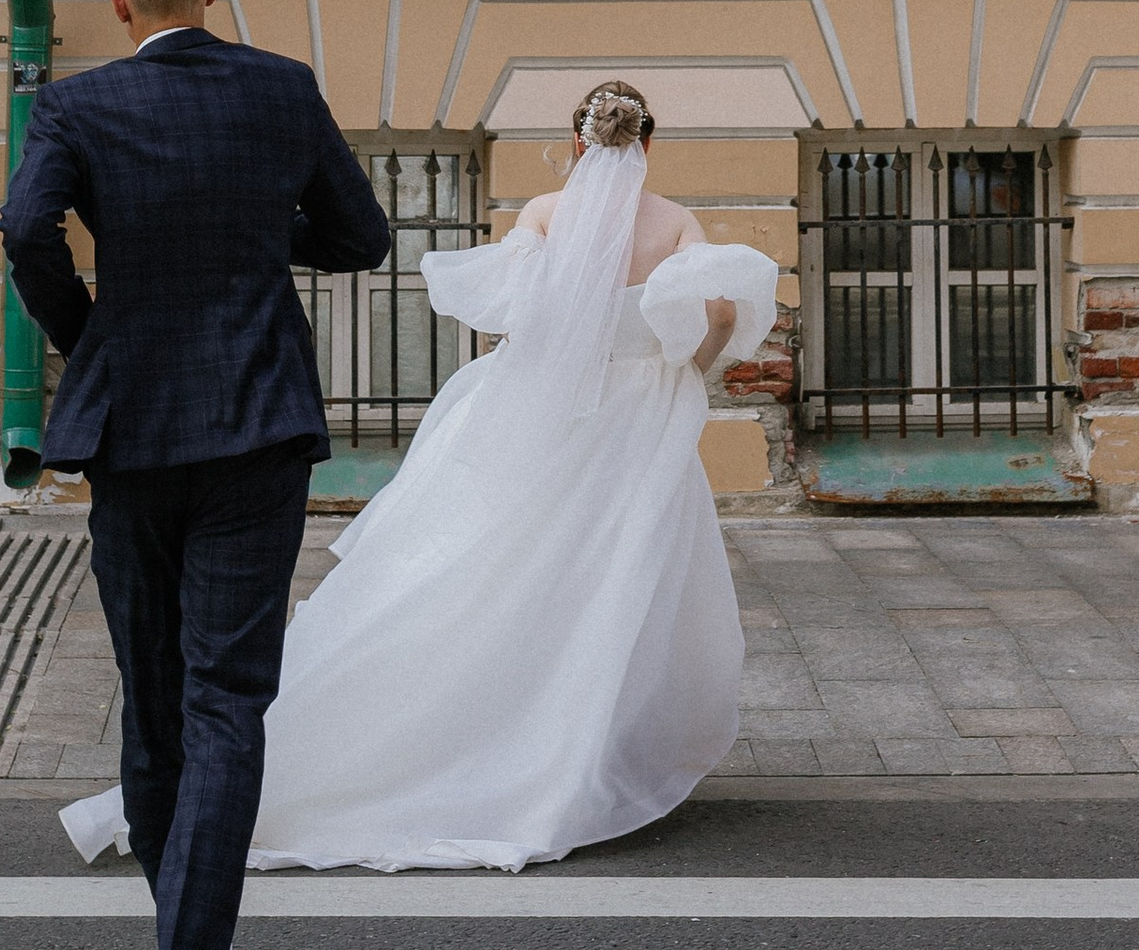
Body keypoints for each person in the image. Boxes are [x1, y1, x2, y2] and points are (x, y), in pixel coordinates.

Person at [0, 0, 389, 950]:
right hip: (258, 424)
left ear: (119, 2)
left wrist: (90, 334)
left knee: (155, 694)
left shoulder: (75, 105)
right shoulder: (282, 88)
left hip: (134, 427)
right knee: (229, 703)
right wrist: (256, 232)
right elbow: (363, 239)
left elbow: (22, 229)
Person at [240, 79, 777, 870]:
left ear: (579, 143)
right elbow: (724, 314)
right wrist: (683, 369)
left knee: (486, 565)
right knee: (612, 580)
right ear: (647, 145)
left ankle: (449, 730)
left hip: (541, 408)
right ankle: (573, 748)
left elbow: (513, 310)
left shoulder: (544, 214)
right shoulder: (675, 222)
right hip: (636, 418)